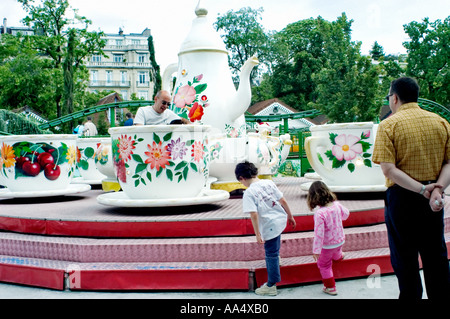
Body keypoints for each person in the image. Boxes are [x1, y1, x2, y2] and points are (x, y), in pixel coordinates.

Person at [372, 76, 450, 300]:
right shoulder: (441, 122)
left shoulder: (388, 125)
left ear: (394, 98)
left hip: (402, 198)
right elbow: (449, 163)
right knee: (435, 254)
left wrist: (420, 189)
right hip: (434, 199)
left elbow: (388, 170)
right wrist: (436, 189)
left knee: (404, 257)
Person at [235, 161, 296, 296]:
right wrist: (290, 216)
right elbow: (283, 200)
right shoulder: (269, 183)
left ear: (241, 178)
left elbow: (254, 214)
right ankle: (276, 260)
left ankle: (271, 285)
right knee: (275, 246)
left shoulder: (249, 192)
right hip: (280, 220)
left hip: (269, 225)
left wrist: (257, 234)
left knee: (270, 253)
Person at [307, 181, 349, 296]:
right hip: (340, 240)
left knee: (324, 265)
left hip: (327, 245)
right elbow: (346, 214)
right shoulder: (336, 205)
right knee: (336, 252)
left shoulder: (320, 213)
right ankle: (339, 256)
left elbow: (319, 234)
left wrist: (316, 250)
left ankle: (330, 287)